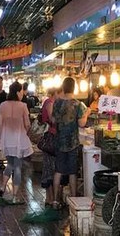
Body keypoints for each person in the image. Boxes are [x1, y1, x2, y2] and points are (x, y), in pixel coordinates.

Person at [51, 77, 91, 209]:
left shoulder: (57, 103)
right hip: (73, 142)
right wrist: (86, 114)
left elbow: (53, 119)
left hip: (59, 141)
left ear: (63, 88)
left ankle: (55, 200)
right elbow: (81, 124)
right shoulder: (78, 104)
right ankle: (73, 200)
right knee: (72, 172)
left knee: (58, 170)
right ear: (74, 88)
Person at [0, 81, 33, 203]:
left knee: (10, 164)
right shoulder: (23, 106)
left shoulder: (2, 105)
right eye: (22, 91)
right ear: (18, 92)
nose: (23, 93)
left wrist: (0, 137)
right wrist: (27, 132)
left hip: (7, 138)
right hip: (19, 139)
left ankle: (2, 187)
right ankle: (14, 196)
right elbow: (27, 124)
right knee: (17, 167)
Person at [40, 87, 58, 207]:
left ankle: (49, 197)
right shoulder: (49, 103)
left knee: (49, 168)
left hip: (50, 138)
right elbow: (53, 120)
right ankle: (50, 198)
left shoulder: (48, 102)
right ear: (54, 93)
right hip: (50, 138)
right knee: (50, 169)